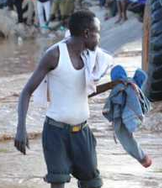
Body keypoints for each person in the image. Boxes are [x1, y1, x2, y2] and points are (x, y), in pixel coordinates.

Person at [14, 10, 107, 188]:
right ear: (86, 33)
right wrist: (21, 128)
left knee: (93, 184)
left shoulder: (90, 56)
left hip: (83, 133)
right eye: (97, 32)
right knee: (58, 184)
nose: (99, 38)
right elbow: (26, 92)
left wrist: (117, 84)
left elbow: (81, 90)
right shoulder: (55, 55)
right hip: (56, 134)